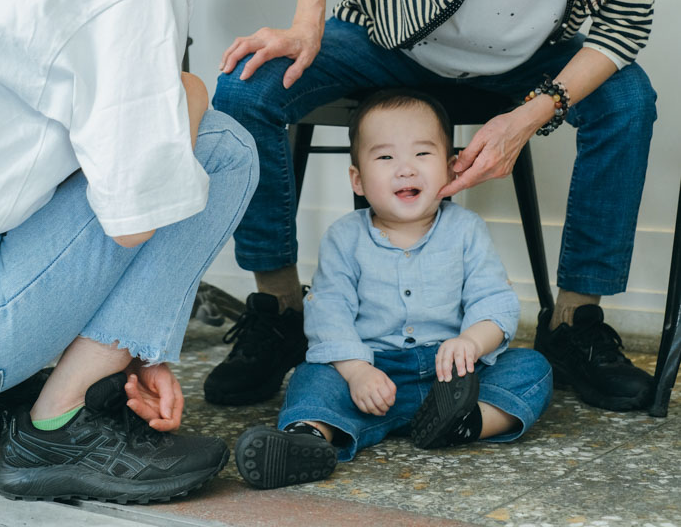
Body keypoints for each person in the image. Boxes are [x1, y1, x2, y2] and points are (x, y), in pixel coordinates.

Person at [205, 0, 673, 415]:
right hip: (386, 36)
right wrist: (306, 23)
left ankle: (574, 323)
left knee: (628, 101)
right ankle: (280, 310)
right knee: (245, 89)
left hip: (526, 62)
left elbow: (623, 28)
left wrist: (528, 117)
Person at [0, 0, 308, 504]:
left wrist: (137, 343)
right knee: (222, 145)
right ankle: (56, 422)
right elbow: (136, 217)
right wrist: (191, 92)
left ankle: (70, 388)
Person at [233, 89, 552, 489]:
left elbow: (493, 299)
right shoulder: (345, 237)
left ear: (451, 169)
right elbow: (329, 311)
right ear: (358, 180)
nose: (406, 169)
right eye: (385, 158)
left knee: (531, 368)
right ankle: (308, 438)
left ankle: (468, 423)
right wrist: (356, 371)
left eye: (422, 153)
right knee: (311, 376)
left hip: (453, 377)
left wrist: (471, 342)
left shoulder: (465, 229)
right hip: (372, 373)